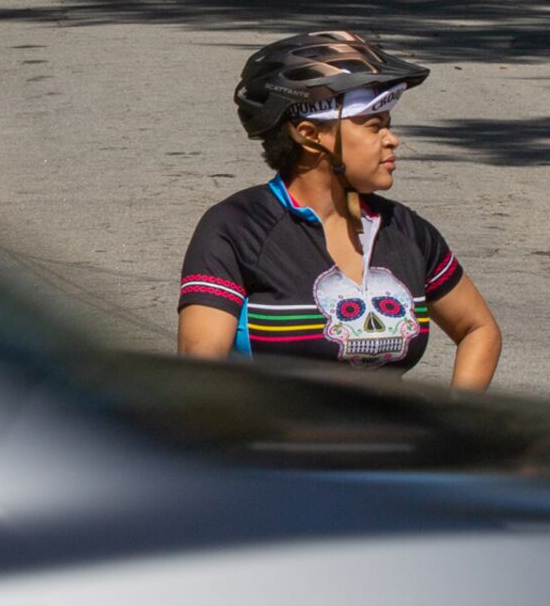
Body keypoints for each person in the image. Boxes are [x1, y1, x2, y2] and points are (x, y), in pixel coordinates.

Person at [175, 30, 500, 388]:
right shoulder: (237, 229)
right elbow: (200, 368)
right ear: (310, 134)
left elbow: (478, 329)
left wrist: (453, 426)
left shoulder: (407, 231)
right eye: (374, 126)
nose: (392, 139)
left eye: (388, 126)